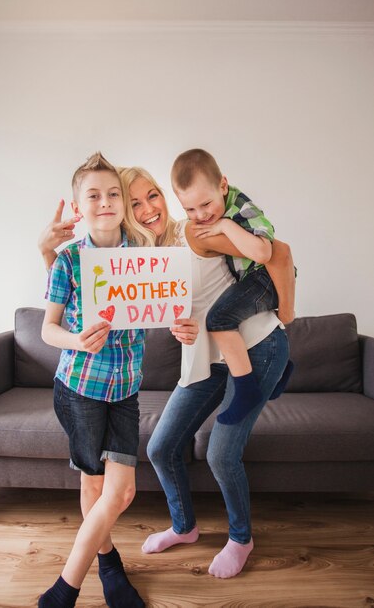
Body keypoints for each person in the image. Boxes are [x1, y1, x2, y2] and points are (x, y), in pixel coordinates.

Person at [39, 160, 295, 582]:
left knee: (220, 451)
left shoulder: (195, 229)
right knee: (160, 447)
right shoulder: (138, 258)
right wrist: (46, 249)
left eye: (152, 195)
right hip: (207, 357)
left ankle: (240, 538)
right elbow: (78, 287)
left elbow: (279, 254)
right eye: (134, 202)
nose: (146, 209)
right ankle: (184, 527)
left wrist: (287, 313)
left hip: (257, 347)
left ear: (166, 195)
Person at [39, 151, 198, 608]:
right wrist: (74, 339)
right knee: (93, 487)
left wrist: (180, 325)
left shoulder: (144, 258)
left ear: (122, 205)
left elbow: (163, 309)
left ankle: (63, 589)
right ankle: (110, 567)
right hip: (79, 391)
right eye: (94, 195)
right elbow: (47, 328)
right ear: (78, 207)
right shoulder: (69, 260)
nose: (105, 202)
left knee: (122, 491)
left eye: (113, 194)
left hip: (125, 391)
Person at [170, 148, 294, 425]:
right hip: (253, 279)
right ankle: (282, 370)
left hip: (264, 277)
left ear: (223, 185)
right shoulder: (199, 223)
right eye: (190, 209)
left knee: (219, 319)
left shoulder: (242, 210)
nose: (200, 215)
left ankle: (245, 390)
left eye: (205, 204)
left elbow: (266, 253)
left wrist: (226, 226)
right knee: (222, 316)